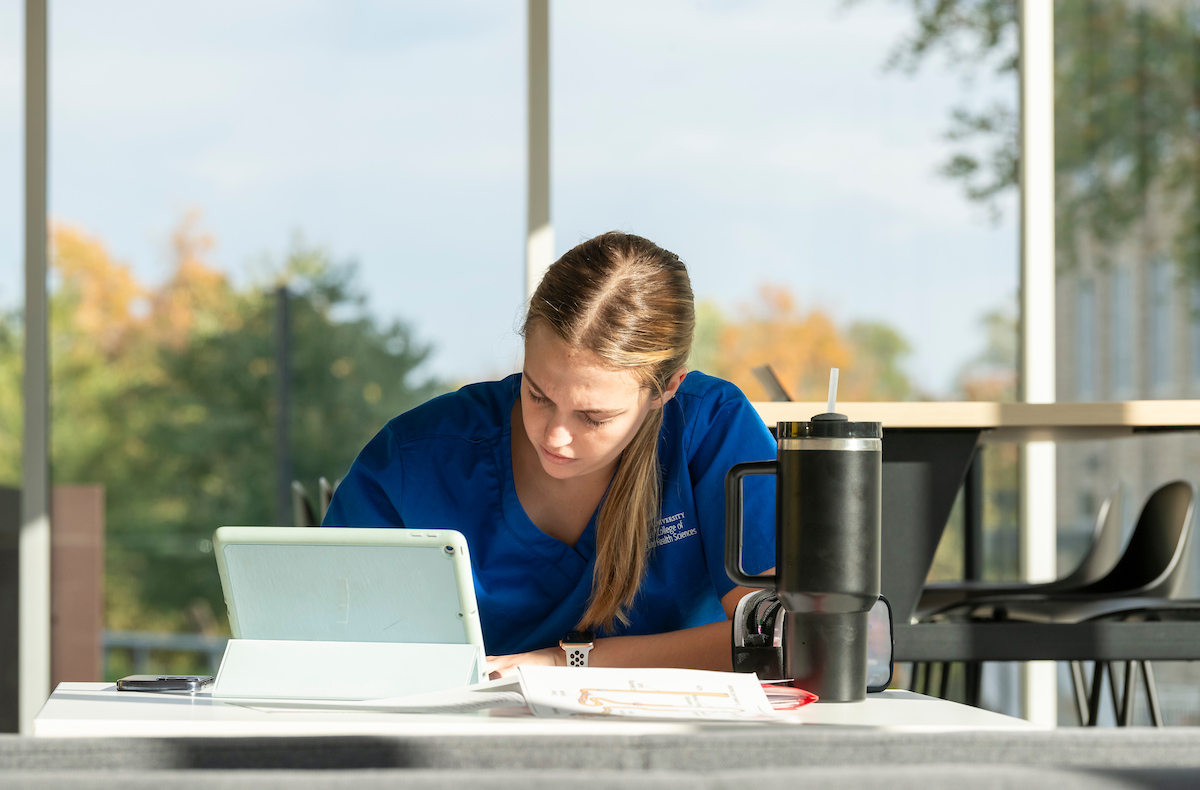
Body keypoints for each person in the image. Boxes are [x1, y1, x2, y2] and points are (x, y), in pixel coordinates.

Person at [323, 231, 776, 676]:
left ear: (668, 388)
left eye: (593, 417)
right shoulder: (414, 459)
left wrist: (566, 662)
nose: (556, 437)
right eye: (537, 394)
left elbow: (779, 636)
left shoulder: (712, 428)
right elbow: (323, 639)